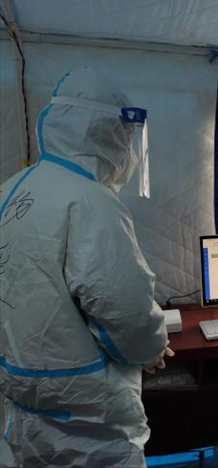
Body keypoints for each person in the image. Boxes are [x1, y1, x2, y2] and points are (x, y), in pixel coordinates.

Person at [0, 67, 172, 468]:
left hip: (22, 402)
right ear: (106, 133)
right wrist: (151, 347)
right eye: (125, 137)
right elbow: (124, 306)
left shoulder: (11, 190)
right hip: (85, 417)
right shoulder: (91, 201)